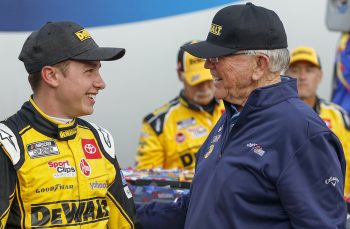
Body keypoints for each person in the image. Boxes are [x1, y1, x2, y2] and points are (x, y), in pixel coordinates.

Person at [136, 3, 347, 228]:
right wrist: (129, 213)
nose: (208, 65)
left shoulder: (303, 134)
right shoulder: (232, 117)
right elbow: (201, 206)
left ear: (259, 64)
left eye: (218, 56)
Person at [0, 21, 135, 228]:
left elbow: (126, 224)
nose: (101, 83)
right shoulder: (8, 144)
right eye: (89, 72)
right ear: (51, 75)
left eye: (98, 71)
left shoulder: (100, 139)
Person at [135, 40, 224, 171]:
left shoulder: (235, 106)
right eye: (197, 81)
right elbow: (145, 179)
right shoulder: (157, 123)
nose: (205, 88)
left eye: (208, 80)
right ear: (180, 75)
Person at [286, 46, 350, 201]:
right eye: (295, 70)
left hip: (333, 206)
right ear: (285, 76)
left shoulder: (337, 115)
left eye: (309, 70)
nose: (302, 77)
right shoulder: (271, 115)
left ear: (320, 76)